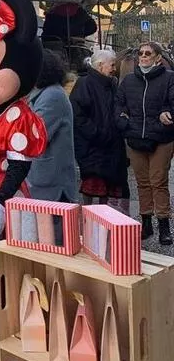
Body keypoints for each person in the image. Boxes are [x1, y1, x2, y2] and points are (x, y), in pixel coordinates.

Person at [115, 41, 174, 244]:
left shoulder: (169, 78)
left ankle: (164, 226)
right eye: (141, 53)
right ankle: (146, 224)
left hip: (161, 139)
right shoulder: (129, 81)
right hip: (135, 138)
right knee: (143, 183)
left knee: (158, 181)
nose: (143, 56)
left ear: (158, 57)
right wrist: (122, 121)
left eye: (148, 53)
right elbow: (118, 104)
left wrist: (169, 113)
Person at [70, 50, 129, 211]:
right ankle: (86, 220)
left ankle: (103, 220)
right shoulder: (84, 84)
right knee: (91, 184)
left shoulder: (112, 83)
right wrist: (98, 134)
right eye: (111, 65)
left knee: (108, 187)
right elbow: (78, 116)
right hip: (92, 146)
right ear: (100, 65)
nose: (114, 68)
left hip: (111, 145)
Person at [27, 50, 78, 203]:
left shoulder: (52, 96)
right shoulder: (42, 93)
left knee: (53, 226)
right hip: (43, 180)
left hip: (51, 184)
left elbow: (35, 135)